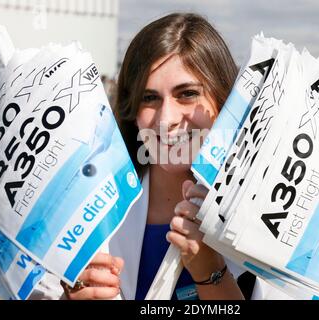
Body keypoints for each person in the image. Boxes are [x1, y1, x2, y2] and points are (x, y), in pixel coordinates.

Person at [32, 12, 280, 301]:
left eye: (186, 94)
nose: (166, 119)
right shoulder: (89, 212)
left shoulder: (271, 214)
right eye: (149, 98)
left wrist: (212, 274)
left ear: (225, 100)